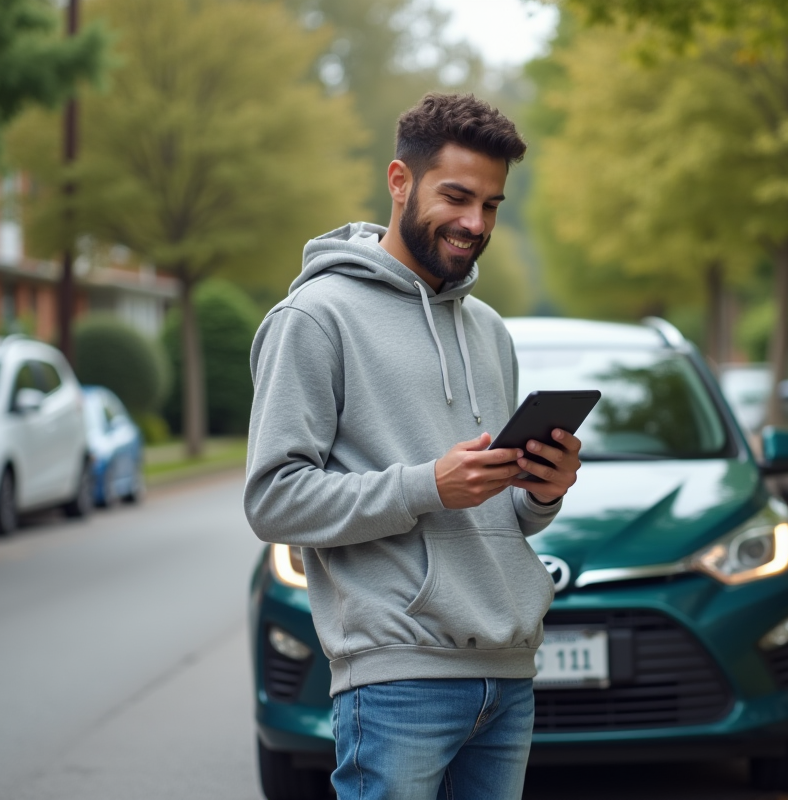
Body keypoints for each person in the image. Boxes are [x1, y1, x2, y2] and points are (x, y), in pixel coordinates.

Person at [244, 93, 581, 800]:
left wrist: (542, 492)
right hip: (397, 679)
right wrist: (427, 484)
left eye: (491, 205)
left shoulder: (489, 330)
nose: (475, 223)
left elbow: (499, 513)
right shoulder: (315, 318)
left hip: (508, 673)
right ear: (400, 181)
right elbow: (273, 500)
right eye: (456, 197)